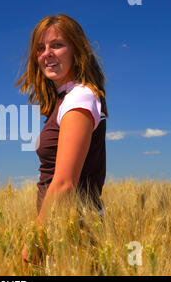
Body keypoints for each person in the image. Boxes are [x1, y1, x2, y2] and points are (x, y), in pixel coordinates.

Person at [14, 14, 109, 264]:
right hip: (61, 229)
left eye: (56, 45)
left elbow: (66, 182)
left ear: (77, 50)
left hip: (74, 232)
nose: (47, 53)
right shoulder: (64, 100)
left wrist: (36, 237)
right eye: (40, 48)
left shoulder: (80, 98)